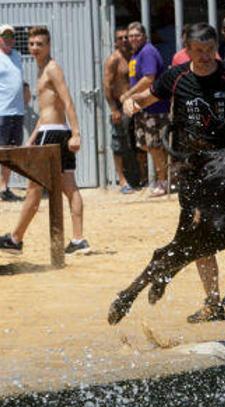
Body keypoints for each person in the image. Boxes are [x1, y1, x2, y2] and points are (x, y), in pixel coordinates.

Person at [123, 23, 225, 322]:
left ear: (215, 48)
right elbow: (146, 98)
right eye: (198, 51)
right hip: (193, 169)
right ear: (187, 50)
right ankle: (212, 301)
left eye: (209, 51)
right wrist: (131, 102)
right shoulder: (176, 76)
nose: (205, 57)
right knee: (199, 235)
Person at [0, 27, 89, 255]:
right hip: (53, 131)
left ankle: (15, 239)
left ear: (48, 46)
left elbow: (67, 101)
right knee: (69, 186)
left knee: (33, 187)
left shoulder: (52, 69)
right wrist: (31, 139)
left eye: (40, 44)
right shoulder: (41, 70)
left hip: (54, 134)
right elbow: (45, 112)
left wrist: (77, 133)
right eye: (31, 44)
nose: (35, 48)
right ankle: (79, 240)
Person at [119, 22, 171, 198]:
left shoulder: (147, 51)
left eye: (137, 35)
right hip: (143, 107)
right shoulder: (136, 53)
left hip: (155, 106)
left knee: (155, 145)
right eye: (130, 35)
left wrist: (129, 94)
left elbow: (149, 78)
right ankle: (164, 177)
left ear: (144, 36)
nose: (133, 38)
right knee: (145, 144)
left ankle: (163, 181)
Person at [103, 27, 142, 194]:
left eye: (127, 37)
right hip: (119, 107)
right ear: (115, 41)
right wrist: (113, 109)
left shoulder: (134, 56)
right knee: (118, 143)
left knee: (136, 142)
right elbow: (106, 85)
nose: (124, 40)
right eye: (120, 38)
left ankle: (140, 177)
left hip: (135, 105)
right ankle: (122, 179)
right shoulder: (114, 59)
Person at [0, 24, 28, 202]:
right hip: (1, 111)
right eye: (5, 36)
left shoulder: (17, 56)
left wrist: (26, 89)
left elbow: (18, 78)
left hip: (17, 111)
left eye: (11, 36)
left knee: (11, 151)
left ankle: (4, 188)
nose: (9, 39)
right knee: (2, 151)